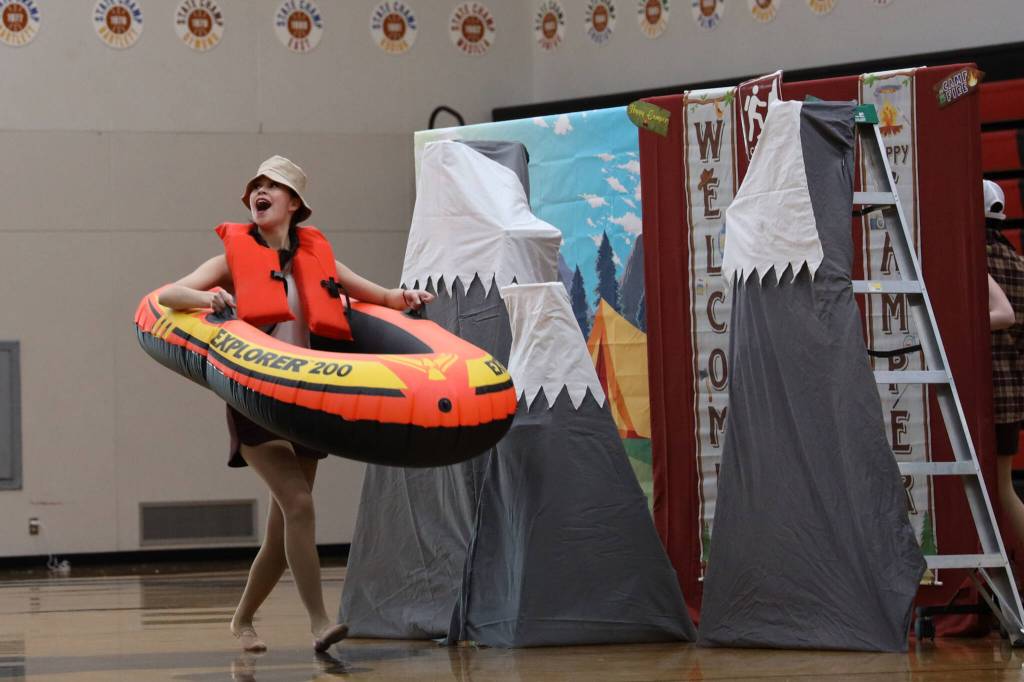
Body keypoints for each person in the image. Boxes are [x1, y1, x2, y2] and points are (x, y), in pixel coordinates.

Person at [158, 156, 434, 653]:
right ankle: (319, 623)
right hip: (254, 400)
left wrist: (406, 297)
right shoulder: (232, 258)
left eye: (273, 186)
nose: (260, 192)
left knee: (283, 528)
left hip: (305, 403)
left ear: (294, 205)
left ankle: (242, 620)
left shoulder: (317, 258)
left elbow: (381, 296)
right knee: (300, 505)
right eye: (256, 186)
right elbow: (170, 296)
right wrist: (207, 300)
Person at [982, 179, 1024, 548]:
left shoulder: (969, 260)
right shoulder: (1018, 264)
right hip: (1010, 394)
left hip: (974, 389)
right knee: (1003, 487)